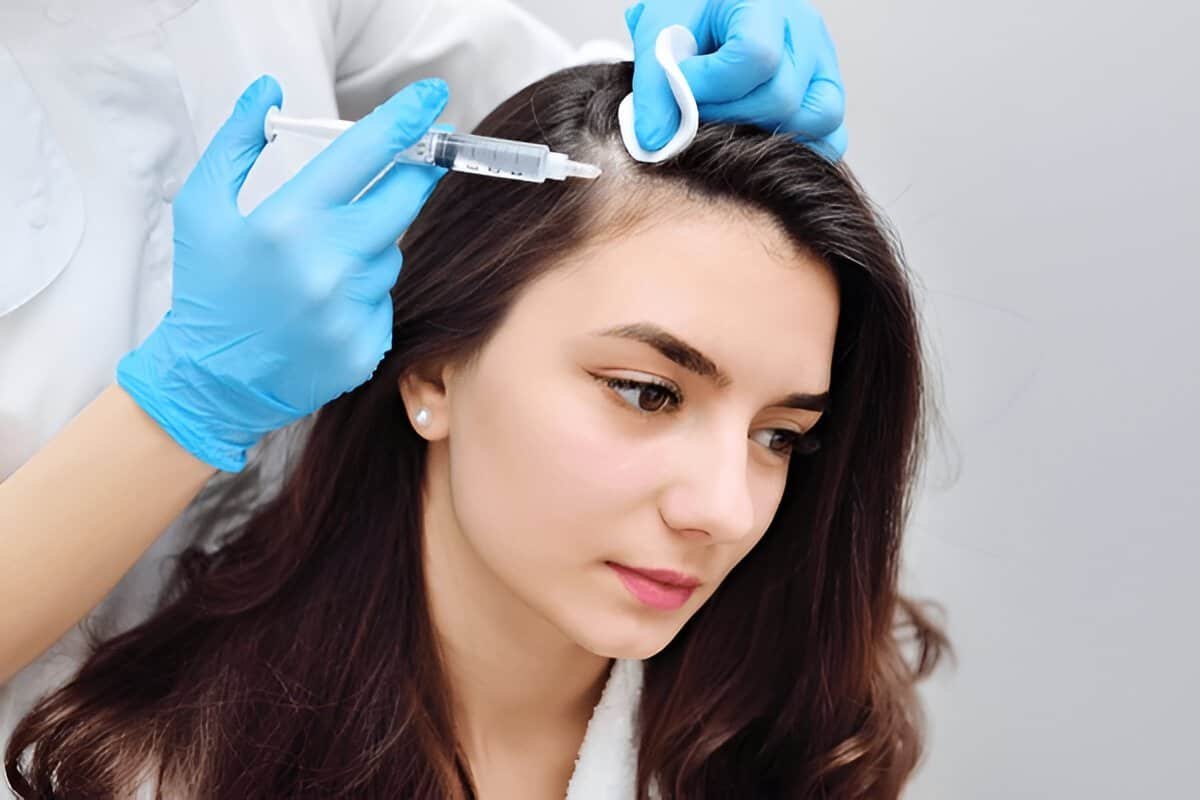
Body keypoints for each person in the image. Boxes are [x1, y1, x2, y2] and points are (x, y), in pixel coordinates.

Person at [5, 60, 944, 798]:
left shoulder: (803, 747)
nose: (727, 511)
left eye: (781, 437)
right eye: (648, 392)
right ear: (431, 370)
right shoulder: (152, 769)